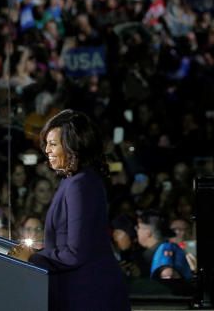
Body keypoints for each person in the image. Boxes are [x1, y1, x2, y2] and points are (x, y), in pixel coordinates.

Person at [8, 109, 130, 311]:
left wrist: (31, 258)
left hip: (88, 295)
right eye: (46, 144)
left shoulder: (80, 184)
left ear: (74, 147)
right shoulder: (74, 181)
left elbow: (75, 253)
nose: (46, 150)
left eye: (53, 144)